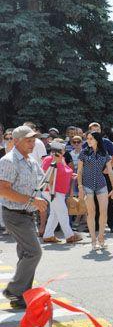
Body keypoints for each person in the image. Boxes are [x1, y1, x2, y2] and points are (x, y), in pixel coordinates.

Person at [0, 126, 48, 310]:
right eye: (28, 140)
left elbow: (41, 182)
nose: (33, 143)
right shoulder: (9, 161)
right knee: (34, 252)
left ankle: (21, 295)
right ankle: (14, 289)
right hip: (14, 214)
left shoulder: (31, 161)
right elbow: (3, 189)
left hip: (27, 214)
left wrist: (55, 166)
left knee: (26, 254)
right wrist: (32, 200)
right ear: (17, 140)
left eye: (34, 139)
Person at [78, 131, 113, 250]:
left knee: (103, 212)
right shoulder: (83, 152)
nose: (88, 141)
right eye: (87, 138)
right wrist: (80, 187)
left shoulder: (104, 153)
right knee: (91, 212)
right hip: (87, 185)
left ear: (97, 140)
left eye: (91, 139)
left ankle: (101, 237)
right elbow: (79, 171)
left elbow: (110, 170)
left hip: (101, 184)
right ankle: (93, 240)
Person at [41, 140, 81, 244]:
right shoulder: (48, 159)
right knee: (62, 212)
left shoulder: (62, 159)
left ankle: (48, 235)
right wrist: (56, 162)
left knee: (55, 214)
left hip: (60, 191)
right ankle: (70, 235)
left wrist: (72, 175)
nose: (62, 151)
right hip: (51, 190)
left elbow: (66, 171)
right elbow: (48, 177)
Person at [84, 122, 113, 233]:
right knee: (93, 200)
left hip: (105, 176)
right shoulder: (87, 143)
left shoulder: (106, 142)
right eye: (93, 130)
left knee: (109, 200)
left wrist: (108, 169)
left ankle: (112, 224)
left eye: (97, 129)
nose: (96, 131)